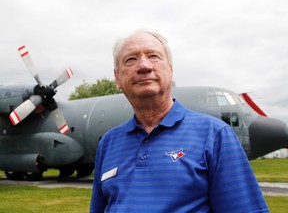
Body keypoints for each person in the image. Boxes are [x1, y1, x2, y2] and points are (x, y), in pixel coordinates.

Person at [90, 30, 269, 212]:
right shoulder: (108, 143)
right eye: (130, 60)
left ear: (171, 70)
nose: (144, 66)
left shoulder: (215, 135)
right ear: (117, 78)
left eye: (154, 56)